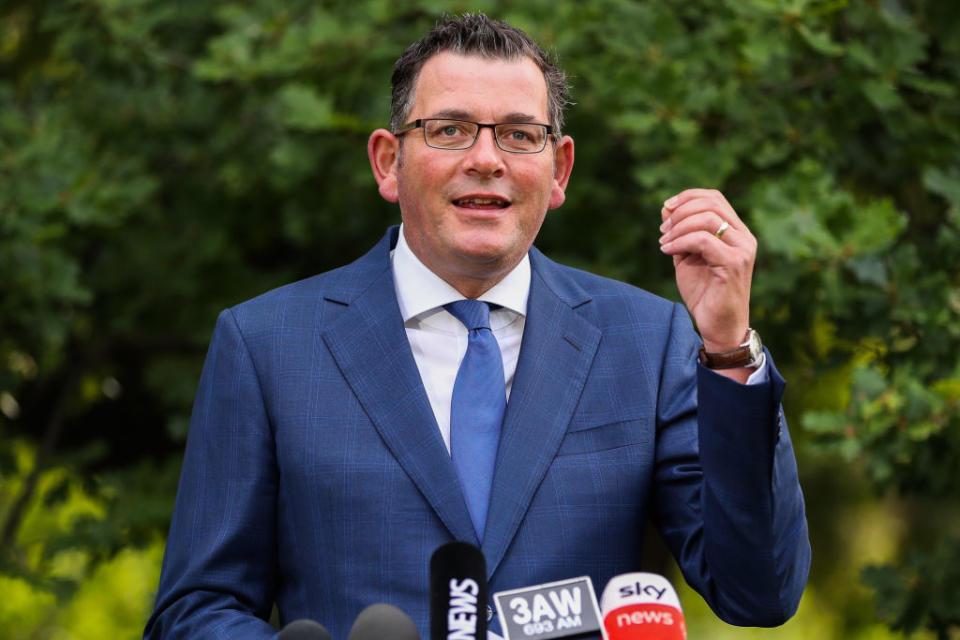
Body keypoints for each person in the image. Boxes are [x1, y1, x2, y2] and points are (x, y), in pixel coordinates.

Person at [145, 14, 810, 640]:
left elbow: (760, 591)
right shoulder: (266, 345)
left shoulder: (648, 340)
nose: (487, 158)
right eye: (450, 129)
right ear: (387, 161)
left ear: (559, 171)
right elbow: (196, 609)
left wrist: (728, 348)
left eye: (520, 134)